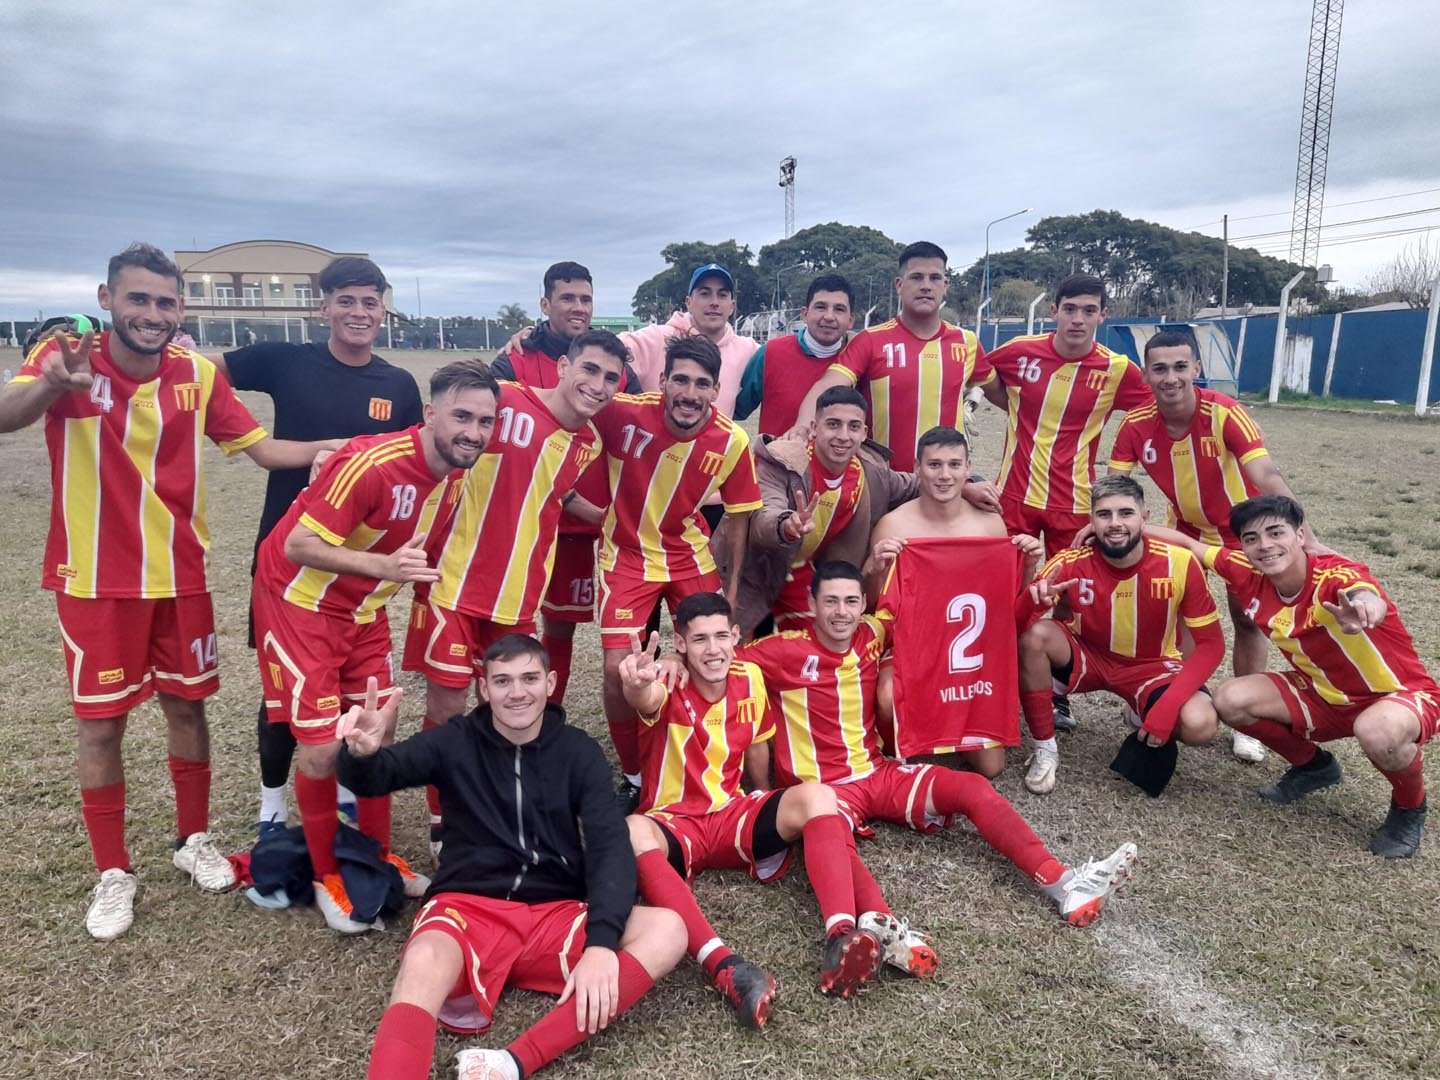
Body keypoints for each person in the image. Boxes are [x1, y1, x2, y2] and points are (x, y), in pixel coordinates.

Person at [0, 242, 333, 940]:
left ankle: (193, 840)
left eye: (165, 302)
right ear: (107, 298)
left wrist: (342, 450)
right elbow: (9, 414)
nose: (151, 314)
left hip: (180, 577)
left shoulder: (194, 374)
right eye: (138, 299)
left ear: (180, 308)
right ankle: (113, 872)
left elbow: (262, 449)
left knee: (188, 708)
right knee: (103, 724)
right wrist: (48, 387)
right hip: (93, 582)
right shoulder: (69, 355)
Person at [336, 636, 686, 1080]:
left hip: (553, 914)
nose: (516, 692)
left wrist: (600, 945)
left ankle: (512, 1063)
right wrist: (361, 755)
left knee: (668, 929)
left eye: (529, 678)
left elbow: (608, 845)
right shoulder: (454, 740)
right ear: (484, 689)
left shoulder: (578, 750)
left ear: (551, 682)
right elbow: (379, 776)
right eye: (502, 681)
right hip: (467, 907)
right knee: (421, 960)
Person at [742, 562, 1138, 932]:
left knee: (972, 788)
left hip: (877, 773)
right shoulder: (779, 651)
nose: (841, 612)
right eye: (830, 601)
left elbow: (937, 612)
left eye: (850, 601)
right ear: (812, 604)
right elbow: (718, 665)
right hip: (821, 793)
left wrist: (1026, 589)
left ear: (863, 604)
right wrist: (678, 660)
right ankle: (881, 929)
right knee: (833, 845)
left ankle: (1063, 883)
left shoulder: (872, 633)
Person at [252, 359, 499, 931]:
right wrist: (381, 565)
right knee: (318, 750)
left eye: (485, 421)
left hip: (363, 610)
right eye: (462, 416)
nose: (473, 432)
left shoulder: (456, 477)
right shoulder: (371, 463)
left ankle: (374, 853)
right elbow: (297, 544)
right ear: (431, 413)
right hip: (300, 603)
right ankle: (325, 875)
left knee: (376, 734)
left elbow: (419, 561)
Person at [621, 593, 930, 1025]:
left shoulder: (748, 676)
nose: (712, 649)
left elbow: (760, 743)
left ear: (735, 637)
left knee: (817, 796)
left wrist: (766, 801)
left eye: (719, 637)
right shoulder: (669, 682)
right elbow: (644, 697)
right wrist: (636, 682)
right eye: (699, 640)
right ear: (682, 645)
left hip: (730, 816)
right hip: (675, 825)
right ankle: (725, 967)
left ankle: (842, 936)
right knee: (633, 829)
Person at [212, 255, 424, 838]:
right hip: (287, 554)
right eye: (347, 301)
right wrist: (262, 445)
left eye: (370, 302)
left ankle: (346, 800)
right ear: (324, 306)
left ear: (384, 310)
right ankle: (273, 805)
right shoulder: (286, 361)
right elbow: (200, 377)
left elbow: (410, 466)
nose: (359, 313)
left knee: (357, 688)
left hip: (355, 568)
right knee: (283, 690)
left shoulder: (397, 384)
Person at [403, 331, 625, 857]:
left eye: (610, 378)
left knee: (512, 705)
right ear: (565, 365)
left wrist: (600, 516)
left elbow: (554, 485)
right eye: (589, 370)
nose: (597, 386)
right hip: (452, 583)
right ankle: (443, 820)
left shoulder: (588, 442)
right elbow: (431, 440)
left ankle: (503, 805)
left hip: (519, 596)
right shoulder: (504, 402)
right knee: (450, 704)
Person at [1151, 495, 1436, 858]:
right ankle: (1313, 767)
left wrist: (1366, 610)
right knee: (1229, 699)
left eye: (1275, 532)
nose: (1265, 545)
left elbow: (1365, 592)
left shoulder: (1335, 575)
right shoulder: (1245, 569)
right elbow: (1189, 543)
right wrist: (1106, 527)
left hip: (1397, 695)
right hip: (1320, 692)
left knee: (1377, 730)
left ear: (1300, 535)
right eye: (1252, 538)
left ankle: (1409, 807)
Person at [1107, 329, 1324, 765]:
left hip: (1239, 534)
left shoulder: (1224, 413)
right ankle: (1187, 694)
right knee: (1170, 611)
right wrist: (1102, 524)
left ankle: (1248, 724)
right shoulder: (1135, 422)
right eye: (1160, 368)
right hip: (1182, 528)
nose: (1170, 378)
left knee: (1246, 620)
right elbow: (1117, 485)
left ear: (1197, 369)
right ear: (1146, 373)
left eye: (1180, 367)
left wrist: (1308, 538)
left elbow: (1265, 474)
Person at [592, 335, 763, 810]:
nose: (689, 393)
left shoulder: (731, 439)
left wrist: (729, 592)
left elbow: (741, 514)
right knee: (616, 669)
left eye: (702, 384)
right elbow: (572, 407)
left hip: (687, 553)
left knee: (720, 650)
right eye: (680, 380)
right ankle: (633, 776)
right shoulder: (623, 412)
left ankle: (716, 757)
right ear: (663, 381)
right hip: (626, 553)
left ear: (716, 390)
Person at [1014, 475, 1223, 795]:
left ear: (1145, 518)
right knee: (1034, 637)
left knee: (1200, 725)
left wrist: (1168, 708)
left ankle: (1143, 707)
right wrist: (1032, 601)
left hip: (1152, 666)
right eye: (1104, 514)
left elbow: (1212, 645)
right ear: (1091, 521)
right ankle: (1045, 748)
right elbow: (1015, 626)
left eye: (1125, 513)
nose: (1115, 523)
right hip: (1088, 655)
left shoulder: (1180, 563)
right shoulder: (1071, 561)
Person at [489, 263, 640, 704]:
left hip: (579, 525)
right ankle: (502, 717)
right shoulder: (515, 359)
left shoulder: (615, 368)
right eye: (567, 298)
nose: (578, 307)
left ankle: (549, 713)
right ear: (545, 304)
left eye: (585, 299)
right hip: (521, 520)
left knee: (560, 623)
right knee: (506, 620)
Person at [865, 426, 1041, 777]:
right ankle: (887, 750)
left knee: (991, 768)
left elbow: (1005, 601)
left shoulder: (990, 525)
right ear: (917, 467)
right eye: (934, 465)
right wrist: (875, 567)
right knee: (887, 698)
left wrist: (1030, 563)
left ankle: (949, 722)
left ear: (967, 468)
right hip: (913, 645)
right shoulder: (894, 525)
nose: (944, 475)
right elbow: (875, 606)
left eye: (953, 465)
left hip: (967, 656)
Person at [716, 385, 917, 638]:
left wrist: (968, 487)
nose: (843, 436)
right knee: (727, 647)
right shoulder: (783, 460)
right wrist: (786, 525)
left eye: (853, 426)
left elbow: (915, 486)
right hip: (753, 570)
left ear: (864, 433)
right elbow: (763, 514)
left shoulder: (870, 472)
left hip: (805, 575)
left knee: (823, 646)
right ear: (814, 428)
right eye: (833, 424)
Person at [784, 242, 995, 475]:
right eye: (916, 277)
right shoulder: (871, 340)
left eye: (935, 278)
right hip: (883, 484)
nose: (926, 286)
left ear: (945, 286)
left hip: (941, 485)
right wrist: (801, 428)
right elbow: (827, 385)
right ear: (899, 285)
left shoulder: (967, 342)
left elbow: (1005, 395)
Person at [733, 273, 856, 437]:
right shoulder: (770, 352)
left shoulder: (860, 359)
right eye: (821, 307)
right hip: (775, 462)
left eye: (839, 309)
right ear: (805, 314)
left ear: (851, 320)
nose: (828, 316)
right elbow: (734, 410)